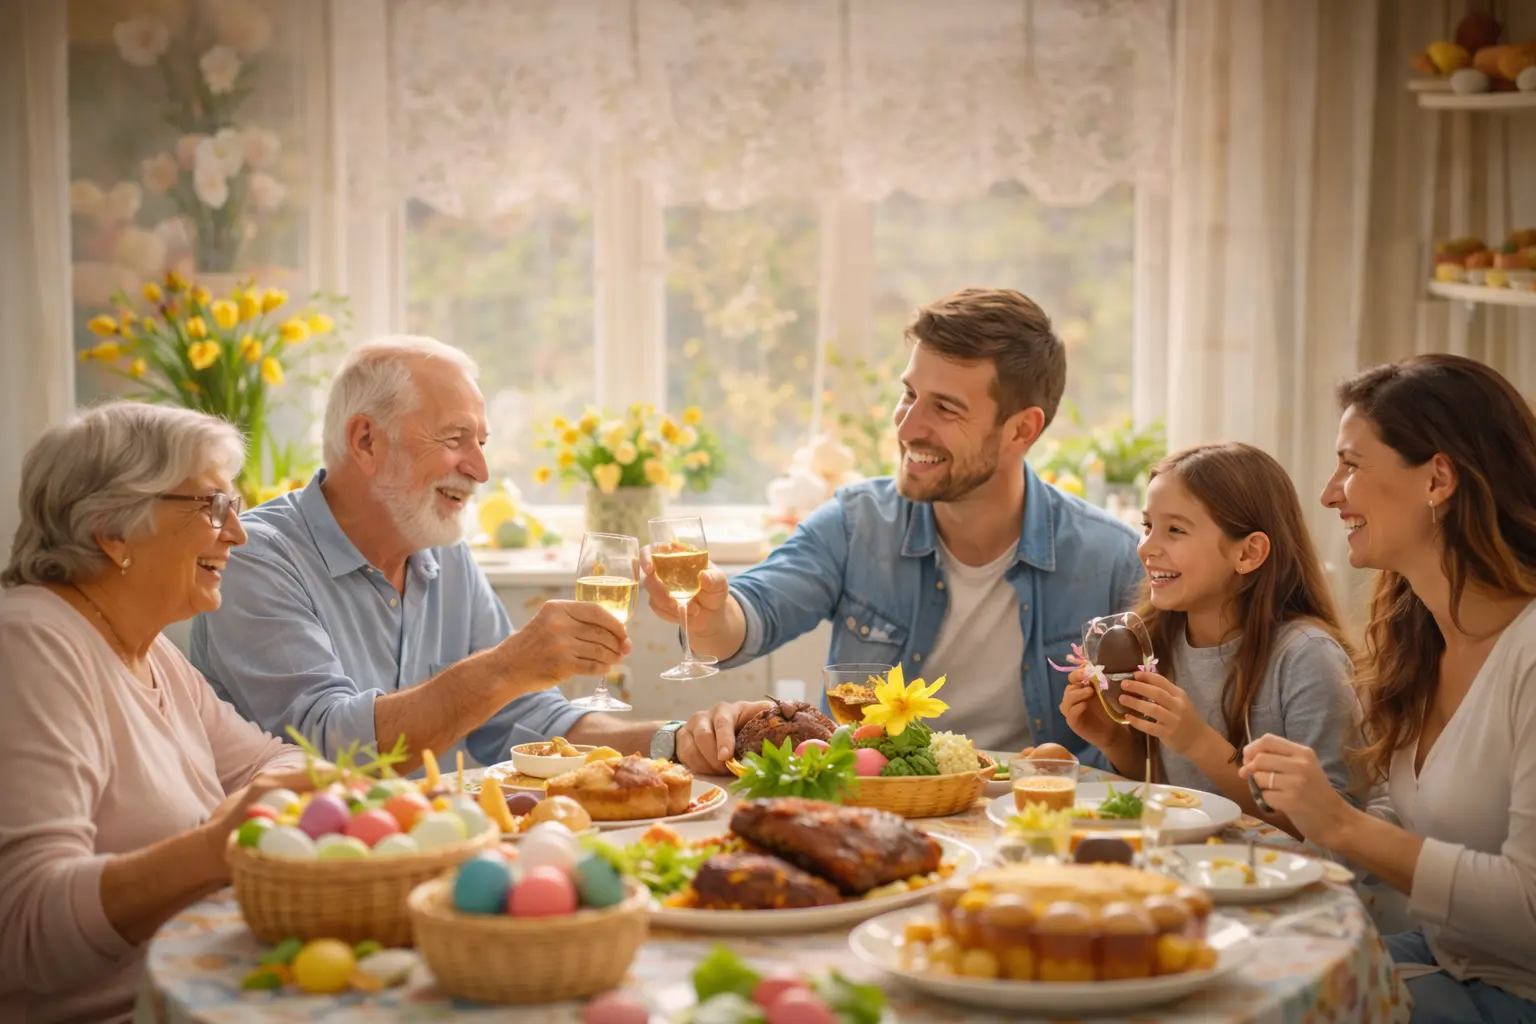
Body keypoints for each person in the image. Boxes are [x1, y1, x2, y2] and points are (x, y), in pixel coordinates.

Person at [191, 335, 763, 776]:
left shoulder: (445, 556)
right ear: (366, 441)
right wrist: (506, 666)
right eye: (454, 438)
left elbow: (525, 720)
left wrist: (674, 741)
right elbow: (330, 750)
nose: (480, 470)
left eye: (481, 443)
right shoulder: (255, 557)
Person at [641, 289, 1143, 755]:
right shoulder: (857, 523)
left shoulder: (1112, 560)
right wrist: (709, 616)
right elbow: (753, 613)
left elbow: (1152, 747)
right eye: (909, 395)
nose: (907, 426)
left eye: (945, 408)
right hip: (877, 812)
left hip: (1033, 825)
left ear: (1021, 429)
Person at [1242, 355, 1536, 1020]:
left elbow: (1529, 910)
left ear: (1438, 478)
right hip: (1441, 962)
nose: (1328, 492)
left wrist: (1341, 825)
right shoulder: (1421, 635)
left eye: (1351, 463)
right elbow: (1397, 816)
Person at [0, 403, 314, 1023]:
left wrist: (257, 806)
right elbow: (25, 929)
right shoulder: (30, 645)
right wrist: (216, 846)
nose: (238, 534)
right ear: (112, 529)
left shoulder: (148, 649)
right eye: (212, 506)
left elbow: (271, 761)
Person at [1059, 443, 1356, 833]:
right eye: (1148, 526)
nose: (1146, 546)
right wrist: (1113, 739)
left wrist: (1198, 742)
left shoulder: (1307, 659)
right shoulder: (1155, 641)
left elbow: (1333, 824)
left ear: (1248, 553)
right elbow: (1174, 788)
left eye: (1175, 530)